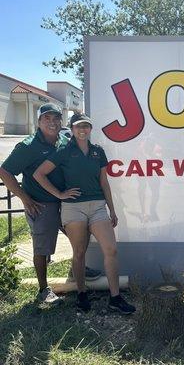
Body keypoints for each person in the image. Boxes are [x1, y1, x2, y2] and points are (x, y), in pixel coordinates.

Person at [33, 113, 136, 314]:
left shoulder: (98, 151)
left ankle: (115, 298)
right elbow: (39, 174)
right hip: (74, 208)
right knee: (79, 252)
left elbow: (104, 182)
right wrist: (59, 194)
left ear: (90, 129)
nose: (83, 130)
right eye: (78, 126)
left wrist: (112, 209)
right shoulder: (63, 151)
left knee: (111, 250)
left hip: (97, 206)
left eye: (86, 126)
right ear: (71, 129)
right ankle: (81, 294)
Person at [0, 103, 68, 304]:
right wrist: (24, 198)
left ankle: (82, 267)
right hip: (41, 204)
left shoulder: (63, 141)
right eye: (47, 118)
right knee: (42, 248)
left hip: (64, 202)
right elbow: (4, 171)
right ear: (38, 122)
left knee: (78, 236)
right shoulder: (28, 146)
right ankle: (43, 289)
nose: (52, 122)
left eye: (56, 118)